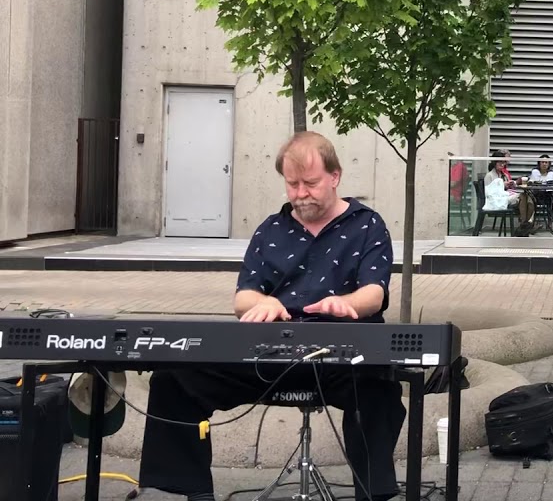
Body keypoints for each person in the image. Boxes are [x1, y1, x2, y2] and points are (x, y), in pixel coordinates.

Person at [137, 132, 406, 501]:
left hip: (342, 358)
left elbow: (374, 292)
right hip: (270, 355)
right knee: (174, 377)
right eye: (292, 184)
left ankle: (372, 494)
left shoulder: (367, 225)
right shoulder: (271, 229)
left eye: (310, 183)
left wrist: (349, 305)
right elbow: (243, 297)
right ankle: (194, 492)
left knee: (380, 387)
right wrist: (261, 303)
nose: (300, 193)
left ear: (335, 176)